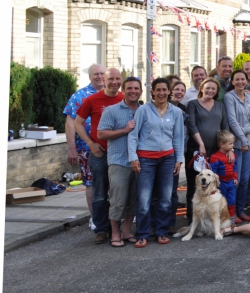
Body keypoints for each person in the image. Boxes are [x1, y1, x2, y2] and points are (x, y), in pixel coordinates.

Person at [128, 78, 185, 247]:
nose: (161, 93)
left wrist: (179, 159)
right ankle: (143, 233)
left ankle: (161, 231)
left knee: (166, 198)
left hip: (167, 159)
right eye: (158, 90)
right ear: (152, 92)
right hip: (145, 159)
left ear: (169, 92)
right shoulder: (143, 110)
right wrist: (133, 157)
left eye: (164, 90)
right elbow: (133, 136)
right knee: (144, 198)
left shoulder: (176, 112)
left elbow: (179, 138)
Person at [74, 67, 123, 244]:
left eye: (118, 79)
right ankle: (101, 229)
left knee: (118, 192)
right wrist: (90, 144)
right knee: (100, 193)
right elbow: (77, 123)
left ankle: (116, 227)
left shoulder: (124, 99)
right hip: (99, 153)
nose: (114, 82)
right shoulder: (92, 99)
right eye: (111, 79)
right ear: (105, 81)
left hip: (120, 154)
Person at [96, 76, 142, 247]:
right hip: (119, 161)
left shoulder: (143, 110)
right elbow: (101, 134)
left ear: (141, 91)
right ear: (124, 90)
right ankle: (115, 233)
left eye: (136, 88)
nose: (133, 91)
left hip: (138, 162)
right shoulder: (111, 110)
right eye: (129, 88)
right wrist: (124, 130)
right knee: (118, 199)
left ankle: (127, 231)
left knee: (133, 199)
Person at [64, 63, 105, 228]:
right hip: (86, 148)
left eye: (102, 73)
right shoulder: (79, 96)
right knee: (90, 183)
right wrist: (72, 148)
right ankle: (94, 218)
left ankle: (112, 217)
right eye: (95, 74)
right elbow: (70, 123)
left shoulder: (114, 95)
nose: (99, 77)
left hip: (110, 148)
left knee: (111, 183)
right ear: (90, 76)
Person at [185, 77, 230, 220]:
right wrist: (201, 144)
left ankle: (212, 217)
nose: (210, 90)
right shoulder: (192, 104)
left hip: (216, 151)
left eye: (213, 88)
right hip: (197, 151)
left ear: (217, 91)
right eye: (207, 87)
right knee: (195, 183)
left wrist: (229, 148)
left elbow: (225, 128)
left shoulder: (220, 106)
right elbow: (191, 124)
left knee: (214, 185)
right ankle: (193, 217)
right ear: (202, 88)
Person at [225, 69, 250, 222]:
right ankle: (232, 213)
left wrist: (244, 135)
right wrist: (242, 140)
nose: (240, 82)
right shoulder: (229, 97)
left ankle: (240, 210)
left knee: (245, 179)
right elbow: (231, 121)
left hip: (247, 144)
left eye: (242, 79)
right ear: (232, 81)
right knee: (234, 179)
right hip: (235, 145)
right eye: (237, 79)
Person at [208, 131, 239, 220]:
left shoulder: (233, 155)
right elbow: (213, 172)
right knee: (220, 202)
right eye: (230, 144)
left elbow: (234, 167)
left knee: (231, 201)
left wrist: (235, 177)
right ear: (222, 144)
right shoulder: (215, 157)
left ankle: (231, 219)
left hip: (231, 182)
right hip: (221, 183)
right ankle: (221, 220)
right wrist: (215, 183)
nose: (233, 145)